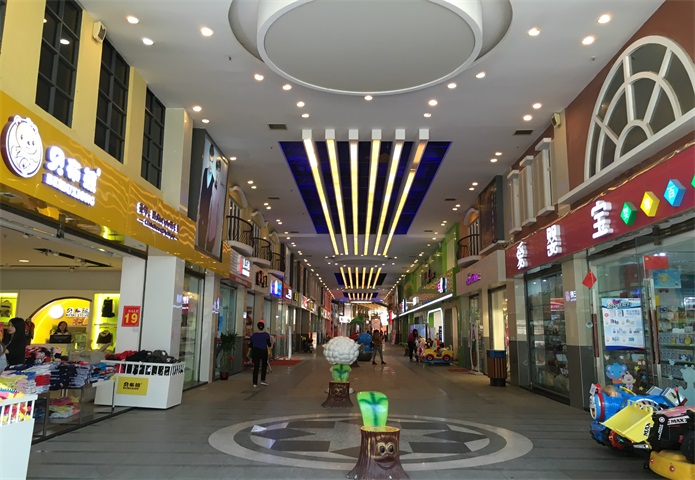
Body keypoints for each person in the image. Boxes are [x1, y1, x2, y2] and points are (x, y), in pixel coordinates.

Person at [249, 321, 271, 387]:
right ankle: (262, 380)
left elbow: (251, 345)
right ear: (263, 327)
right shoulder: (266, 335)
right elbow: (269, 344)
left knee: (256, 367)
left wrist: (248, 353)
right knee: (264, 366)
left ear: (257, 327)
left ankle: (255, 383)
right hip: (263, 351)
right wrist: (270, 351)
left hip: (256, 351)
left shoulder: (254, 335)